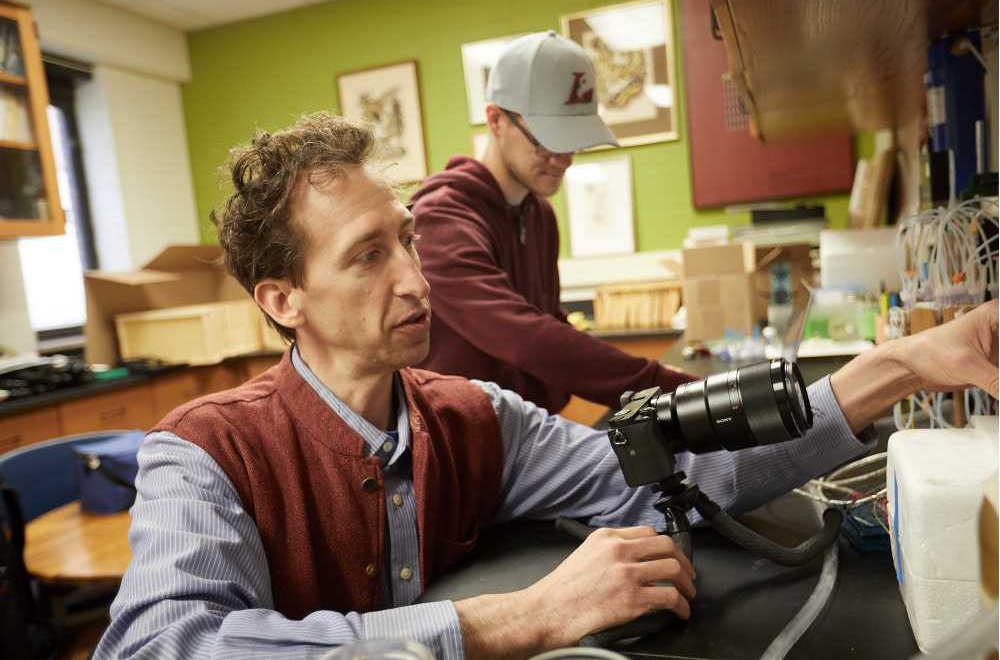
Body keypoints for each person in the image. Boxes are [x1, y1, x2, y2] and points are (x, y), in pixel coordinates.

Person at [95, 112, 999, 660]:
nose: (415, 279)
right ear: (282, 300)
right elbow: (161, 647)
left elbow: (674, 471)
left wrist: (904, 365)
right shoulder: (204, 452)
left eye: (406, 239)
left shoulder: (474, 416)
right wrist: (515, 619)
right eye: (368, 256)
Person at [410, 31, 696, 415]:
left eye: (573, 142)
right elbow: (524, 335)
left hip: (531, 426)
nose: (563, 160)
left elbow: (548, 319)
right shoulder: (440, 219)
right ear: (496, 120)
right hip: (464, 436)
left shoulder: (539, 213)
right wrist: (666, 385)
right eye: (547, 141)